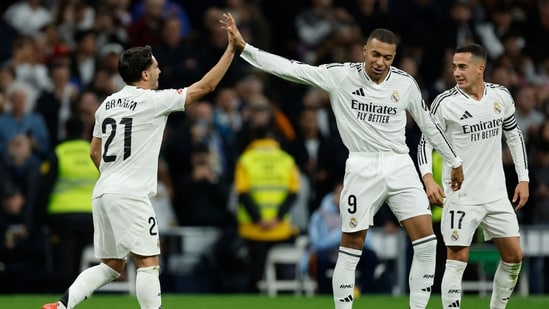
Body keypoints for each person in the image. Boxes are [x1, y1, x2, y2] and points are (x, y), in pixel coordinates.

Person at [226, 16, 464, 309]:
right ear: (364, 50)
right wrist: (246, 49)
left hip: (399, 163)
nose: (380, 62)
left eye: (387, 57)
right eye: (375, 54)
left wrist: (454, 161)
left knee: (427, 242)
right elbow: (292, 70)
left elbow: (428, 126)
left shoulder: (405, 84)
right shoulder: (340, 76)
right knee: (351, 245)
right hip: (362, 166)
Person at [42, 12, 238, 309]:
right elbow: (205, 87)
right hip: (131, 194)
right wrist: (232, 50)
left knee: (110, 266)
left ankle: (61, 306)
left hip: (104, 192)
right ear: (145, 74)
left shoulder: (105, 104)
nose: (159, 71)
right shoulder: (154, 101)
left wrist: (113, 175)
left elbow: (94, 151)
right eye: (156, 67)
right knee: (148, 263)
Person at [417, 43, 529, 309]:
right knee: (457, 259)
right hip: (461, 195)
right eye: (454, 66)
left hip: (496, 193)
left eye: (462, 66)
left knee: (514, 257)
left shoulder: (500, 96)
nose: (456, 72)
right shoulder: (445, 103)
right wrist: (428, 178)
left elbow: (514, 135)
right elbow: (425, 143)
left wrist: (523, 178)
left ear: (481, 68)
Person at [234, 123, 301, 293]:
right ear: (273, 138)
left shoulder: (246, 160)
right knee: (282, 276)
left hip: (254, 229)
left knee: (255, 275)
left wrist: (259, 220)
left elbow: (243, 194)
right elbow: (293, 194)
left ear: (254, 139)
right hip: (280, 228)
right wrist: (277, 218)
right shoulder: (287, 160)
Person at [305, 179, 379, 295]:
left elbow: (369, 241)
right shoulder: (320, 215)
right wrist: (343, 233)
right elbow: (317, 243)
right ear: (334, 195)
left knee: (371, 256)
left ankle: (365, 293)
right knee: (319, 258)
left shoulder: (358, 213)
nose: (344, 197)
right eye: (341, 193)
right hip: (330, 255)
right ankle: (323, 293)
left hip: (351, 253)